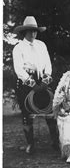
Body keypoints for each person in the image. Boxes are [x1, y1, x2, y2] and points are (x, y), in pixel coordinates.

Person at [12, 16, 58, 154]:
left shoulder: (41, 45)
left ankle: (55, 142)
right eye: (30, 31)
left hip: (42, 83)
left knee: (49, 111)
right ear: (24, 31)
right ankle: (30, 144)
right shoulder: (18, 48)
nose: (33, 34)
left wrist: (45, 81)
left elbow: (48, 64)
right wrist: (31, 84)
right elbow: (19, 69)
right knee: (27, 115)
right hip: (26, 85)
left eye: (35, 31)